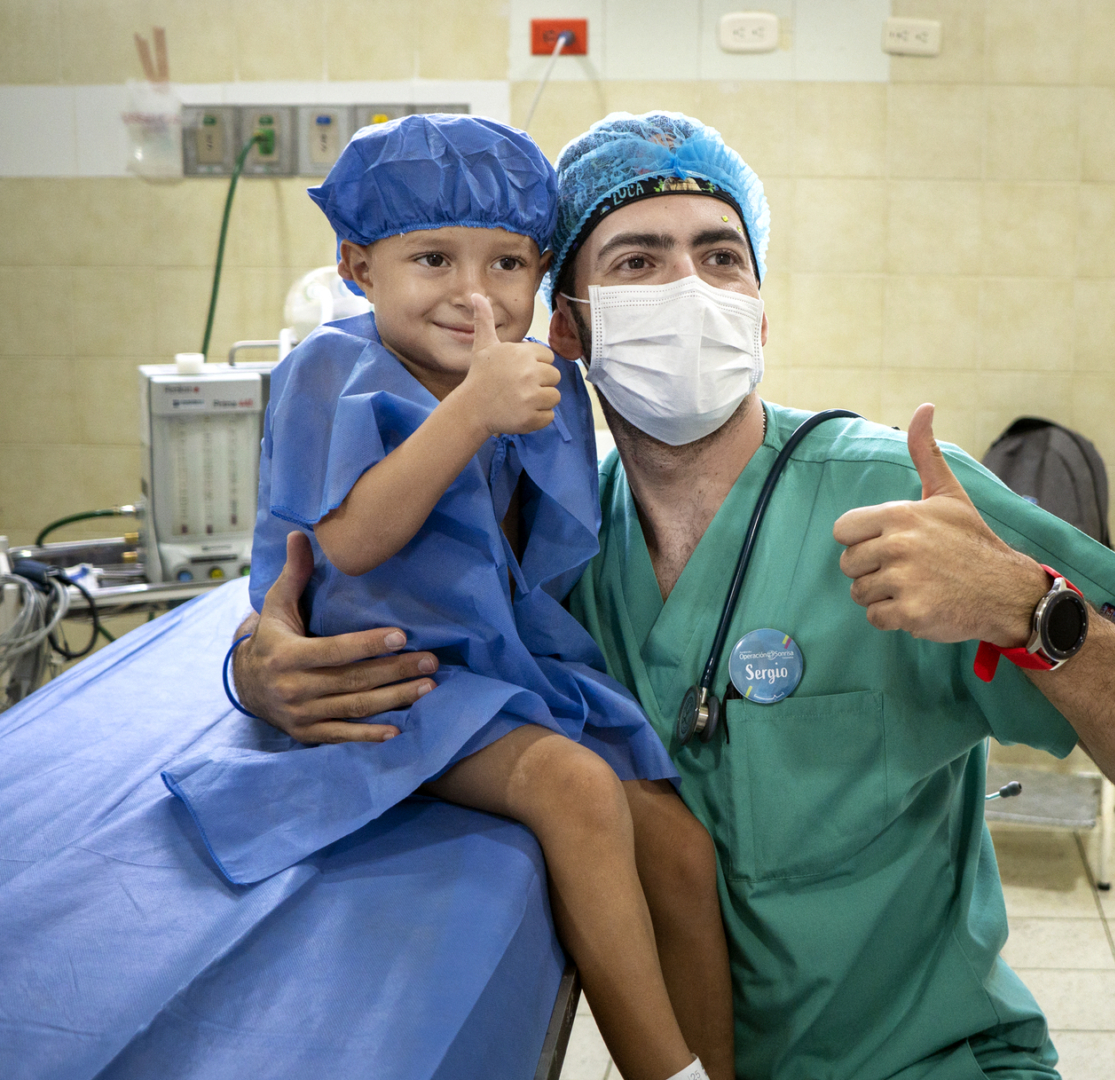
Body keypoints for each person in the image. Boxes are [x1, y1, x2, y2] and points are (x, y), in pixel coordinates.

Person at [235, 113, 1115, 1080]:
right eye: (637, 261)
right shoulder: (561, 540)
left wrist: (1029, 610)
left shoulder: (902, 496)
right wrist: (259, 663)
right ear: (569, 329)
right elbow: (355, 577)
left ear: (760, 311)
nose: (689, 289)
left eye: (721, 258)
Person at [165, 114, 730, 1080]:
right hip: (393, 677)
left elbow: (533, 548)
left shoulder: (530, 382)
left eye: (508, 264)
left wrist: (510, 403)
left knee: (679, 844)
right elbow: (350, 539)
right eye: (432, 258)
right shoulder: (333, 371)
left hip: (502, 666)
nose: (474, 295)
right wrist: (471, 412)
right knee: (575, 787)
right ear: (358, 265)